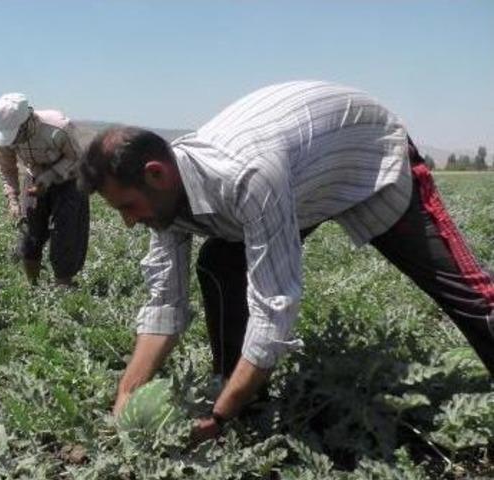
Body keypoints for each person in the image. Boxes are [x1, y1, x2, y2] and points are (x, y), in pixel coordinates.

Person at [77, 80, 494, 442]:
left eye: (128, 207)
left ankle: (233, 404)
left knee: (469, 295)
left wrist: (219, 416)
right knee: (221, 262)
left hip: (366, 155)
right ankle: (241, 391)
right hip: (300, 178)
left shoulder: (248, 175)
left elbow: (274, 310)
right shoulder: (166, 196)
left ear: (156, 174)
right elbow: (165, 304)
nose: (129, 223)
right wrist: (128, 391)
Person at [0, 93, 89, 287]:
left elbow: (76, 159)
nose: (13, 141)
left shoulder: (59, 128)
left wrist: (49, 177)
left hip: (69, 180)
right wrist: (12, 199)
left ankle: (63, 286)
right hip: (35, 177)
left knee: (65, 233)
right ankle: (33, 287)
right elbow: (7, 167)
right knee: (30, 233)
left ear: (26, 123)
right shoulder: (6, 135)